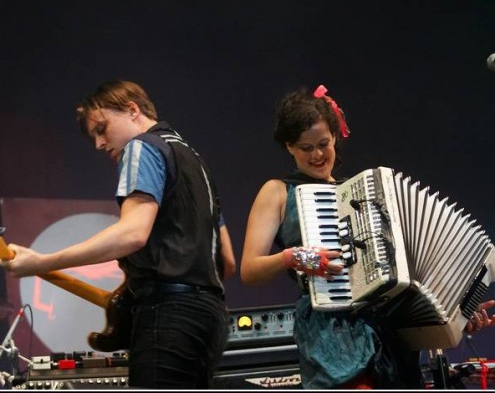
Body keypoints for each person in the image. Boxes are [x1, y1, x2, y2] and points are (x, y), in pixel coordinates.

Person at [240, 83, 495, 389]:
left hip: (389, 334)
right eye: (306, 148)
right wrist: (292, 257)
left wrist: (460, 313)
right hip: (332, 336)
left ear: (335, 137)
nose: (318, 154)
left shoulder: (363, 195)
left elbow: (410, 273)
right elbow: (249, 270)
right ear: (289, 147)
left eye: (324, 144)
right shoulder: (278, 191)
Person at [1, 80, 237, 389]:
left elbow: (132, 234)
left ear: (132, 110)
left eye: (102, 129)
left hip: (168, 316)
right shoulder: (196, 163)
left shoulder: (142, 146)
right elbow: (227, 262)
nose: (99, 144)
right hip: (210, 320)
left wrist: (41, 263)